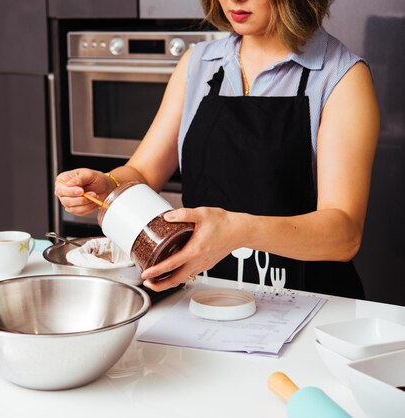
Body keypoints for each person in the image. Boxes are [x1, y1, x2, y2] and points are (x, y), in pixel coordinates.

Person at [54, 0, 379, 298]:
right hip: (205, 297)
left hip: (308, 303)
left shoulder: (342, 77)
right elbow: (140, 172)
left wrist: (237, 230)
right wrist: (108, 184)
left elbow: (344, 234)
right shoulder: (198, 65)